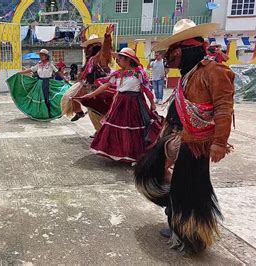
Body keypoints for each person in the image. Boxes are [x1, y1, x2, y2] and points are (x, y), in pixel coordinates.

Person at [135, 19, 235, 253]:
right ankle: (175, 213)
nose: (169, 57)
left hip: (194, 143)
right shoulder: (190, 73)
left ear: (185, 49)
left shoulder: (214, 71)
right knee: (148, 172)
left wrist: (219, 143)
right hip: (177, 135)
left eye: (173, 52)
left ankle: (189, 234)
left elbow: (223, 107)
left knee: (189, 187)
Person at [82, 48, 160, 163]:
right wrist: (92, 94)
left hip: (134, 104)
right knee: (116, 128)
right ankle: (120, 154)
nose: (118, 61)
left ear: (128, 59)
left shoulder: (139, 73)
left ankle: (134, 156)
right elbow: (105, 86)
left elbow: (147, 89)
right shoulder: (117, 74)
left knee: (132, 129)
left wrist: (152, 103)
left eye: (120, 58)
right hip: (119, 104)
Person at [63, 25, 114, 128]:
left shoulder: (101, 56)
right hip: (90, 84)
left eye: (91, 46)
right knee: (71, 97)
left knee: (96, 111)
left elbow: (107, 49)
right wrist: (83, 34)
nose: (88, 49)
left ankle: (101, 130)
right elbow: (84, 45)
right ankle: (79, 112)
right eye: (89, 46)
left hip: (101, 87)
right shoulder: (90, 58)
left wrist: (107, 36)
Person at [7, 49, 70, 121]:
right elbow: (31, 69)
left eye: (42, 55)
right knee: (38, 98)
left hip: (48, 83)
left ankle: (48, 114)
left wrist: (65, 79)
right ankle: (40, 113)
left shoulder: (50, 64)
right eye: (40, 55)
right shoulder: (39, 64)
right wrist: (20, 73)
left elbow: (57, 72)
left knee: (47, 98)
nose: (41, 56)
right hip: (39, 83)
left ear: (46, 56)